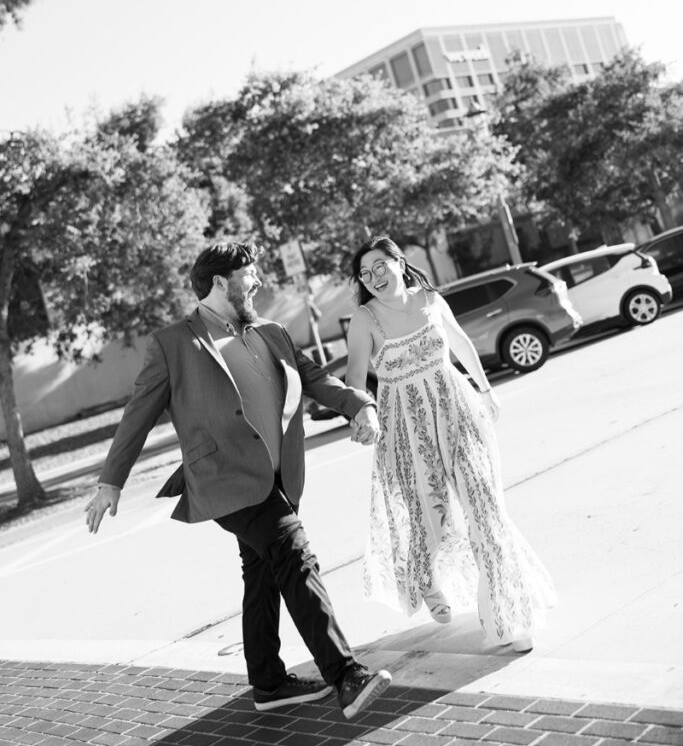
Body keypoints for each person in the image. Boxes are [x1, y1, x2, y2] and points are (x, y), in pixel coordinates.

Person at [85, 240, 392, 719]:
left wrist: (360, 403)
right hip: (224, 480)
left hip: (277, 479)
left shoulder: (271, 331)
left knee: (263, 575)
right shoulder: (173, 343)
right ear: (220, 282)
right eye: (251, 276)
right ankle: (346, 676)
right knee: (294, 555)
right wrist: (111, 481)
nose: (260, 283)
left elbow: (315, 379)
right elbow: (137, 415)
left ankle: (269, 683)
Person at [345, 234, 556, 651]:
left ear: (400, 262)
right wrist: (361, 411)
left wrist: (486, 389)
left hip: (458, 413)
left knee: (485, 507)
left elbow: (460, 342)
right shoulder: (365, 320)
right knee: (432, 518)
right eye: (365, 274)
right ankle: (425, 578)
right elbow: (354, 378)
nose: (373, 278)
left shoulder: (430, 300)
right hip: (406, 427)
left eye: (380, 267)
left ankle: (508, 615)